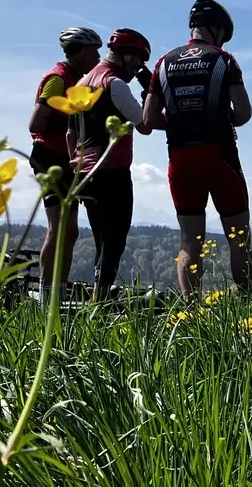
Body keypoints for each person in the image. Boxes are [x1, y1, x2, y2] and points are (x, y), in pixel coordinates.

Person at [143, 0, 252, 300]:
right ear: (217, 30)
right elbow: (243, 113)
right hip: (220, 156)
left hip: (180, 159)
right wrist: (220, 116)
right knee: (239, 238)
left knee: (189, 241)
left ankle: (190, 313)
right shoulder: (224, 59)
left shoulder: (163, 63)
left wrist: (180, 120)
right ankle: (247, 305)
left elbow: (149, 118)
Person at [68, 28, 153, 302]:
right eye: (139, 61)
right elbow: (145, 125)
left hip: (84, 171)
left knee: (101, 239)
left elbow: (71, 133)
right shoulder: (114, 84)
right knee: (115, 241)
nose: (139, 67)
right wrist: (150, 91)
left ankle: (96, 299)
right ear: (127, 56)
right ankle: (99, 304)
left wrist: (75, 167)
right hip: (112, 170)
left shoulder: (81, 83)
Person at [27, 27, 102, 302]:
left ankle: (57, 290)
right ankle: (47, 295)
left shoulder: (80, 78)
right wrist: (70, 122)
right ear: (80, 51)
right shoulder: (57, 80)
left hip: (68, 159)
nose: (98, 56)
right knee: (58, 228)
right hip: (49, 157)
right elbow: (35, 124)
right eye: (94, 51)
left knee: (70, 231)